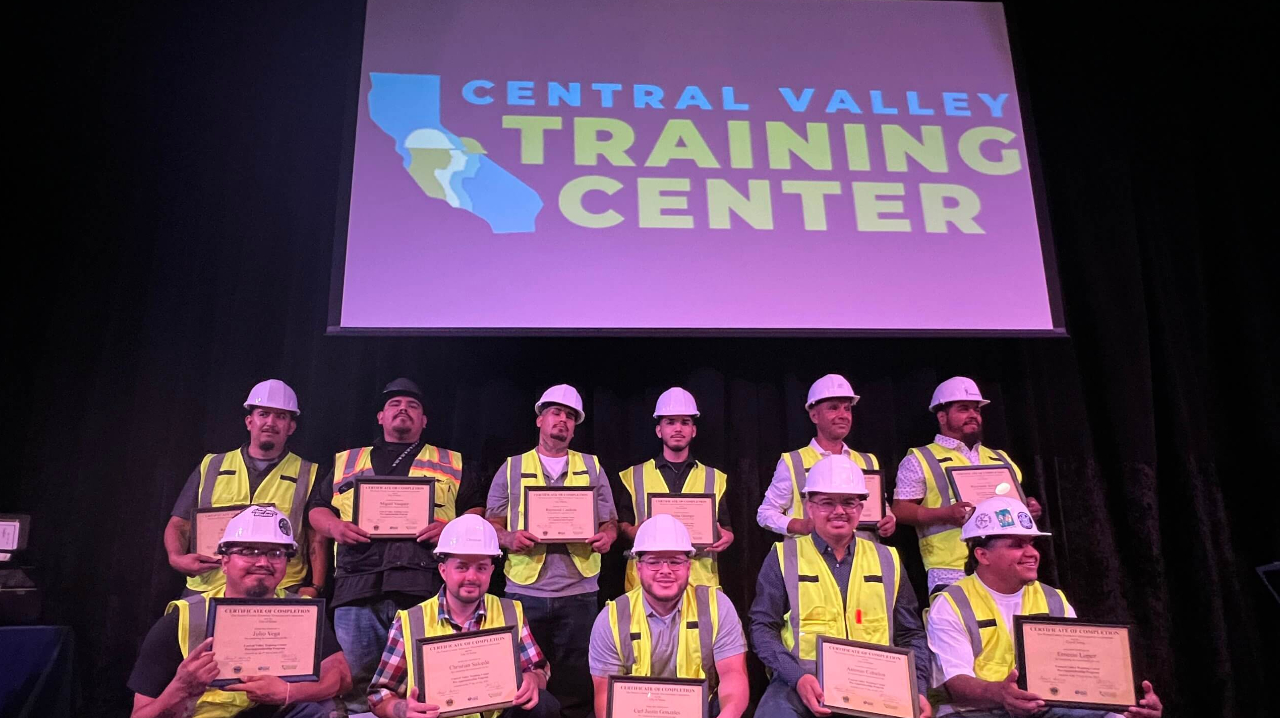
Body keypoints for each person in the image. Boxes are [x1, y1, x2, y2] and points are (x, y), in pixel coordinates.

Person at [306, 378, 471, 715]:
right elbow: (316, 510)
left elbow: (476, 509)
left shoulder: (450, 461)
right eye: (395, 404)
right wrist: (335, 526)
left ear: (424, 421)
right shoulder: (347, 461)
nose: (403, 410)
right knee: (356, 689)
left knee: (422, 686)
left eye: (413, 406)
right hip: (357, 586)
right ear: (381, 416)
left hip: (422, 588)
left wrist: (452, 528)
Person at [927, 497, 1163, 718]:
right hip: (973, 711)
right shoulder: (951, 603)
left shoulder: (1053, 599)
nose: (1032, 553)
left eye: (1031, 543)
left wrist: (1127, 704)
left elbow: (1078, 673)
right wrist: (1003, 694)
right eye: (1017, 545)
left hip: (1042, 708)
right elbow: (956, 682)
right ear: (982, 555)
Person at [750, 455, 932, 718]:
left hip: (875, 685)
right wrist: (796, 676)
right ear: (809, 507)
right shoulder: (782, 556)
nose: (839, 511)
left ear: (860, 508)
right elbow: (762, 628)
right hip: (802, 681)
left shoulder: (887, 559)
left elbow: (910, 634)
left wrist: (918, 688)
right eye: (827, 503)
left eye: (848, 502)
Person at [129, 506, 350, 718]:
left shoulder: (302, 612)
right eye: (248, 551)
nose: (263, 562)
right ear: (224, 562)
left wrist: (290, 692)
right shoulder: (182, 620)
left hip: (276, 711)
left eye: (275, 553)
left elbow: (341, 676)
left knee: (323, 707)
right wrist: (180, 688)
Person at [486, 384, 618, 718]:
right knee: (523, 680)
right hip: (524, 590)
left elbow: (610, 522)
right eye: (556, 413)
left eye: (570, 416)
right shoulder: (512, 467)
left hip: (579, 591)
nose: (563, 420)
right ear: (540, 419)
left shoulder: (592, 466)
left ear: (575, 426)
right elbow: (492, 525)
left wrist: (607, 537)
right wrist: (508, 538)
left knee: (575, 680)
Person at [367, 514, 558, 718]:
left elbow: (539, 669)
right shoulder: (410, 622)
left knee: (544, 703)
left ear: (492, 571)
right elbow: (379, 696)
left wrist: (533, 679)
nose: (472, 577)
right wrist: (403, 709)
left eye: (481, 568)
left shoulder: (510, 612)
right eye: (462, 567)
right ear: (443, 570)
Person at [164, 379, 323, 597]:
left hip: (280, 589)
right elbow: (179, 525)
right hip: (210, 587)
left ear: (291, 427)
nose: (271, 422)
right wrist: (176, 558)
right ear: (249, 421)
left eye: (281, 416)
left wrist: (315, 586)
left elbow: (316, 537)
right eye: (264, 414)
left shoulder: (308, 473)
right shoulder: (212, 465)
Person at [892, 377, 1044, 594]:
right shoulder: (920, 458)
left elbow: (1014, 505)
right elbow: (900, 509)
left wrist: (1027, 510)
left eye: (977, 410)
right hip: (950, 566)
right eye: (964, 409)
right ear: (942, 416)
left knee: (1005, 626)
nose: (973, 415)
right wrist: (945, 514)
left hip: (1005, 563)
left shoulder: (1000, 458)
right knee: (959, 624)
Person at [589, 514, 749, 718]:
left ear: (688, 567)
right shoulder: (610, 619)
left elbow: (733, 675)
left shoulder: (717, 607)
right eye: (654, 562)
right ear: (639, 568)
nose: (665, 571)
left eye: (675, 562)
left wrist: (728, 714)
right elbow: (605, 697)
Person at [616, 388, 733, 589]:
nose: (678, 428)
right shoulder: (633, 475)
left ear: (693, 430)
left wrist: (728, 536)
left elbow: (725, 526)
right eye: (670, 422)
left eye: (685, 422)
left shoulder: (715, 477)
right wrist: (631, 531)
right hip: (647, 585)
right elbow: (622, 523)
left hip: (700, 583)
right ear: (659, 430)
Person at [757, 374, 896, 542]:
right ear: (814, 416)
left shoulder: (868, 461)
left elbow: (880, 508)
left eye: (847, 408)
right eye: (833, 407)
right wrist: (800, 525)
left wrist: (889, 519)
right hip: (810, 561)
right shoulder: (794, 462)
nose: (843, 415)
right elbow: (765, 513)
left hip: (861, 561)